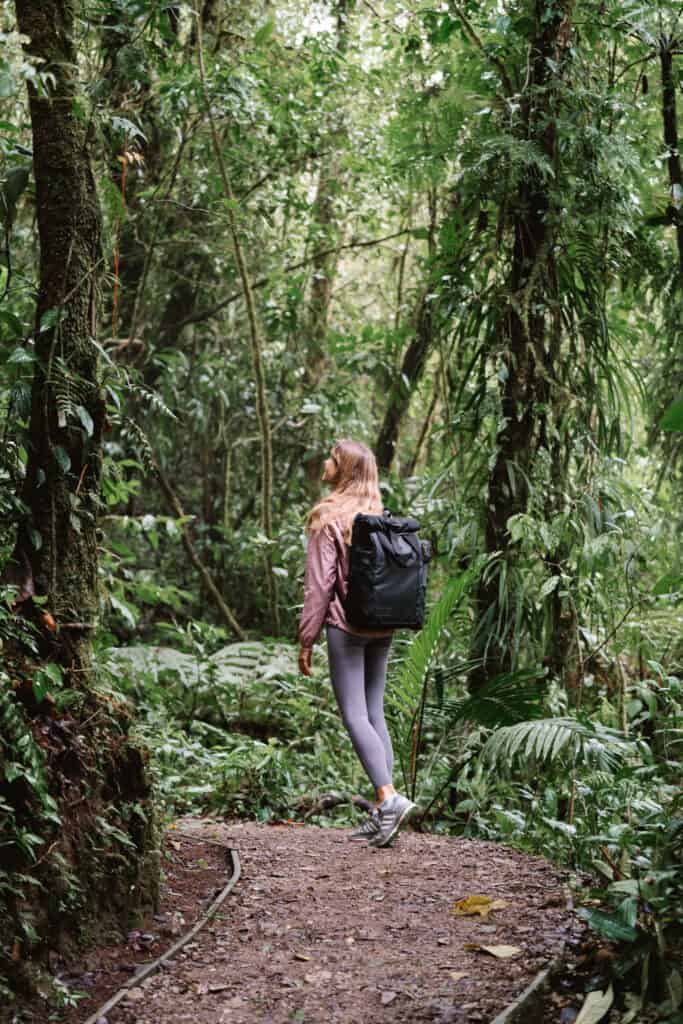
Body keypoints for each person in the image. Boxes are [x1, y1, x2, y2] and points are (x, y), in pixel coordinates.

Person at [298, 438, 416, 847]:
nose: (326, 463)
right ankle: (387, 807)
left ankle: (387, 798)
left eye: (333, 458)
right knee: (374, 712)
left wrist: (306, 639)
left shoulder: (327, 517)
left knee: (354, 714)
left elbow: (319, 586)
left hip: (346, 628)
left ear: (346, 471)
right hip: (383, 626)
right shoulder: (377, 515)